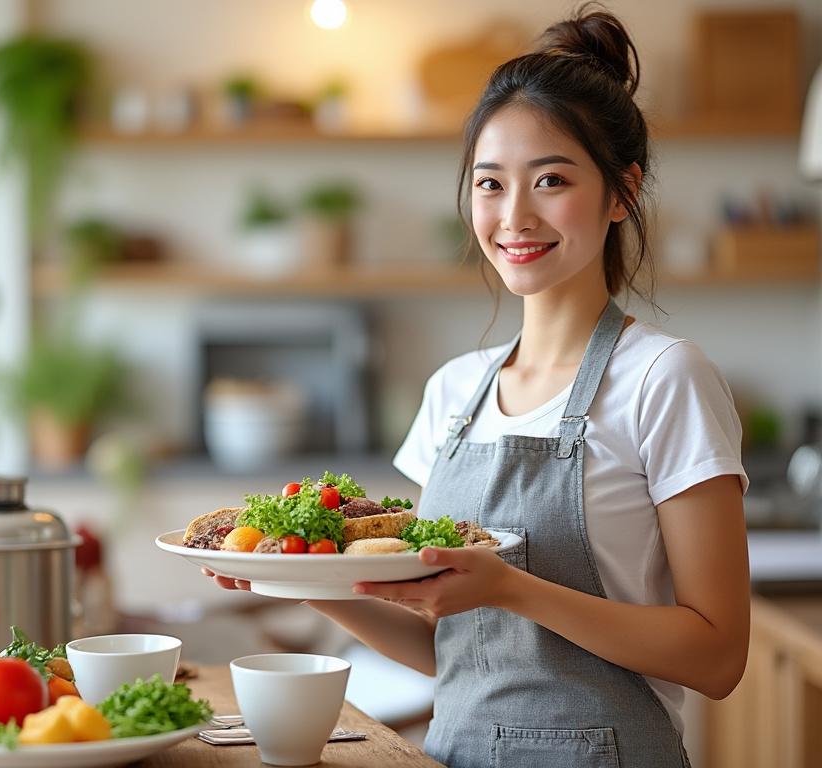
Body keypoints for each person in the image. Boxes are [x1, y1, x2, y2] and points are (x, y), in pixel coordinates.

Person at [205, 5, 749, 766]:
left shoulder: (664, 378)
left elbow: (719, 656)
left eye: (551, 179)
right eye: (490, 183)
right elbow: (442, 644)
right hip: (455, 753)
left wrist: (509, 587)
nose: (514, 215)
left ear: (622, 193)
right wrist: (297, 578)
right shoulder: (453, 392)